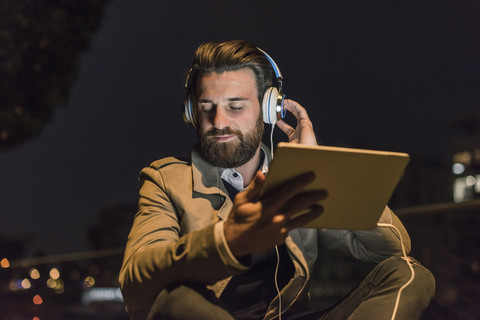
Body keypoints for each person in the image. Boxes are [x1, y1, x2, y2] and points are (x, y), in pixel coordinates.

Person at [119, 40, 435, 320]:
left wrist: (320, 168)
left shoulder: (291, 178)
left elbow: (392, 250)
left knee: (409, 274)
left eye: (236, 106)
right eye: (207, 108)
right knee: (179, 300)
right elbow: (136, 283)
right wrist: (229, 240)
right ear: (191, 112)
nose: (219, 122)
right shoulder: (165, 179)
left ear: (269, 110)